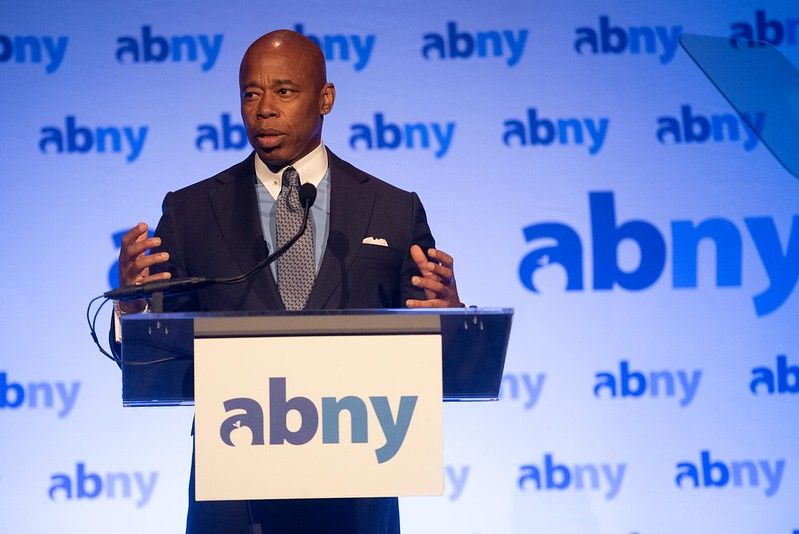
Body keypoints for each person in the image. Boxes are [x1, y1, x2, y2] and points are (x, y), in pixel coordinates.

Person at [114, 29, 461, 533]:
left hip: (356, 491)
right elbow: (153, 355)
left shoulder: (392, 208)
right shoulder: (190, 211)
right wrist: (134, 308)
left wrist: (449, 317)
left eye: (284, 91)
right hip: (235, 499)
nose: (264, 109)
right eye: (250, 94)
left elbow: (432, 350)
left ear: (326, 98)